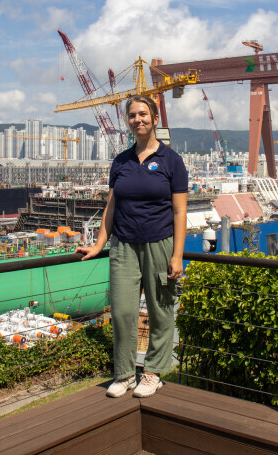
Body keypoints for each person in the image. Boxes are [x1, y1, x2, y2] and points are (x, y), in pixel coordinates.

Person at [77, 95, 188, 398]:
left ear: (155, 118)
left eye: (143, 114)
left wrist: (177, 255)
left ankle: (152, 372)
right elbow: (111, 208)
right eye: (132, 115)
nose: (138, 119)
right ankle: (125, 374)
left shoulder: (172, 161)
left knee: (161, 310)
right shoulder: (121, 161)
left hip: (159, 243)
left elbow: (180, 212)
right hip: (123, 246)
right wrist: (99, 244)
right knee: (123, 311)